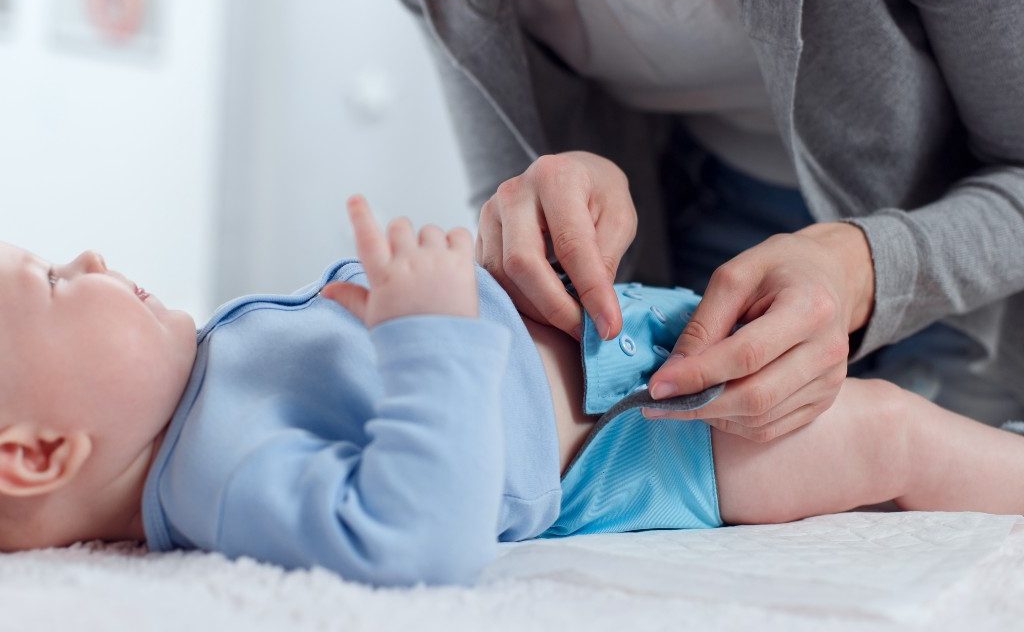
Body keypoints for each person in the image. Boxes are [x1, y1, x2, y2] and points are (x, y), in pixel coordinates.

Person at [183, 0, 1024, 441]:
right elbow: (517, 227)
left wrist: (861, 269)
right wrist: (546, 210)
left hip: (970, 286)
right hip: (711, 266)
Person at [1, 196, 1023, 587]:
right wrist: (430, 330)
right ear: (38, 451)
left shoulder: (193, 386)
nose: (85, 253)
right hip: (638, 441)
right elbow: (415, 535)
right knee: (890, 433)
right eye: (51, 281)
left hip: (610, 340)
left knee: (866, 372)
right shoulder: (220, 483)